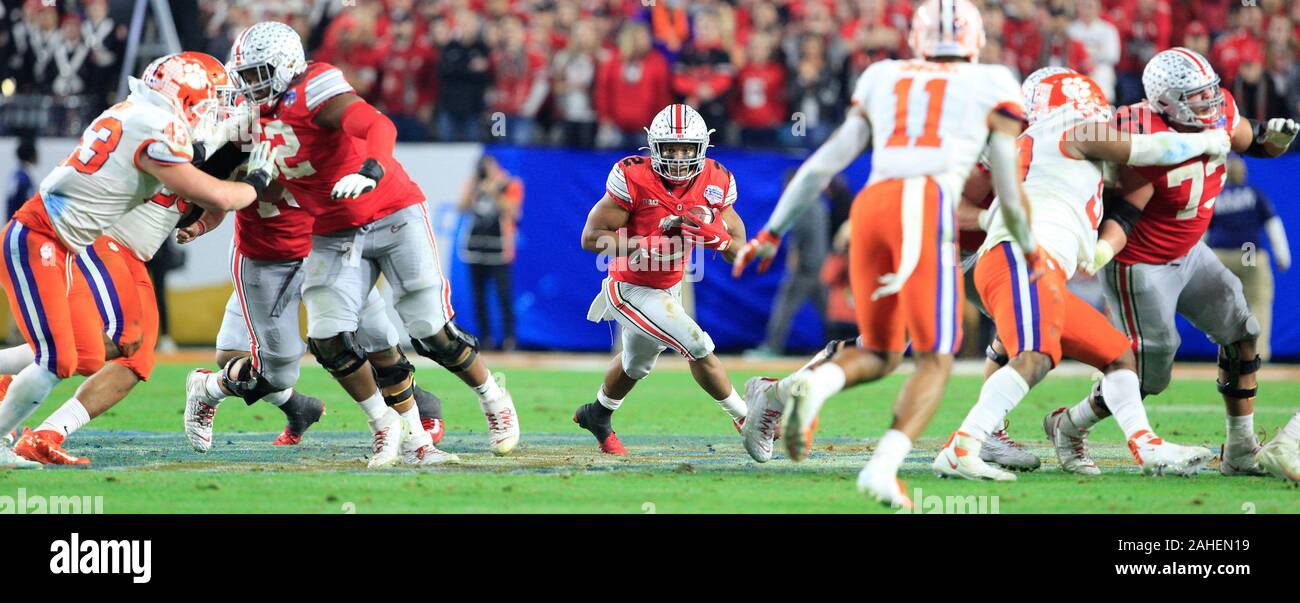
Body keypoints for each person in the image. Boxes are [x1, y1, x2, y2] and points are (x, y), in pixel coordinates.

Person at [732, 0, 1039, 508]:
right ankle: (882, 468)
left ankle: (805, 388)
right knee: (936, 357)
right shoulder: (995, 83)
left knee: (881, 352)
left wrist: (771, 232)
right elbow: (1008, 187)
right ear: (976, 41)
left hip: (871, 205)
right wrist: (1028, 245)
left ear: (916, 40)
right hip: (925, 205)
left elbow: (822, 163)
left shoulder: (884, 75)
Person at [225, 22, 519, 466]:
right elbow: (264, 185)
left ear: (286, 65)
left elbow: (376, 124)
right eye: (244, 76)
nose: (250, 85)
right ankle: (388, 428)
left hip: (391, 211)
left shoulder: (313, 88)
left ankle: (493, 396)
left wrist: (371, 169)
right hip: (333, 229)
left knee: (429, 331)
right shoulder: (249, 119)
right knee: (327, 337)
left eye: (257, 73)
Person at [937, 68, 1231, 481]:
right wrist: (1207, 140)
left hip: (1039, 269)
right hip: (1020, 259)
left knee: (1116, 353)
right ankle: (962, 447)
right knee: (1035, 356)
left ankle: (1147, 446)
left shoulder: (1044, 142)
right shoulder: (1069, 128)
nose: (1101, 113)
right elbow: (1152, 150)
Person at [0, 51, 276, 469]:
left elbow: (207, 194)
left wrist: (202, 218)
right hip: (94, 240)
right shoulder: (164, 128)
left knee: (112, 355)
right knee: (105, 343)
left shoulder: (150, 118)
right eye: (210, 100)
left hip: (105, 246)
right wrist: (258, 176)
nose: (215, 109)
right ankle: (13, 398)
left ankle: (42, 429)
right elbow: (213, 190)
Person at [1078, 47, 1299, 476]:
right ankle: (1068, 424)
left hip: (1191, 251)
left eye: (1211, 90)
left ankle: (1239, 450)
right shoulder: (1137, 129)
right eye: (1197, 95)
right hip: (1139, 261)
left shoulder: (1219, 112)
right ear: (1165, 101)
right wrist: (1102, 250)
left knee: (1243, 332)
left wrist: (1275, 141)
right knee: (1147, 376)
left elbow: (1250, 138)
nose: (1211, 101)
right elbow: (1127, 210)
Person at [177, 143, 446, 455]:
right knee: (249, 362)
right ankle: (219, 391)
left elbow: (372, 147)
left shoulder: (319, 129)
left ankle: (410, 427)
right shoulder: (239, 140)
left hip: (326, 250)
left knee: (377, 335)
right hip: (265, 258)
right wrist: (198, 222)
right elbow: (221, 199)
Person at [577, 103, 761, 460]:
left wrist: (718, 238)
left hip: (669, 286)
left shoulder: (717, 180)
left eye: (686, 149)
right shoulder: (632, 176)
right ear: (653, 147)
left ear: (702, 149)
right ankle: (746, 419)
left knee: (635, 364)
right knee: (697, 344)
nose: (678, 158)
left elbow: (739, 249)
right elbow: (591, 238)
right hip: (629, 286)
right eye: (670, 149)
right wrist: (644, 244)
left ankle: (597, 413)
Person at [1207, 156, 1290, 361]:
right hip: (1248, 251)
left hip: (1220, 254)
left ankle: (1227, 353)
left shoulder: (1215, 197)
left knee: (1224, 306)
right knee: (1257, 303)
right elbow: (1273, 224)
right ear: (1243, 174)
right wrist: (1283, 256)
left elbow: (1202, 232)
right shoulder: (1254, 194)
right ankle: (1257, 354)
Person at [458, 155, 523, 351]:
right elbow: (461, 207)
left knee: (504, 296)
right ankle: (485, 339)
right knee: (479, 297)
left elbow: (514, 212)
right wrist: (474, 187)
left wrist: (494, 190)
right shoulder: (474, 184)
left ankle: (509, 340)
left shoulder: (511, 184)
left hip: (499, 249)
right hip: (475, 248)